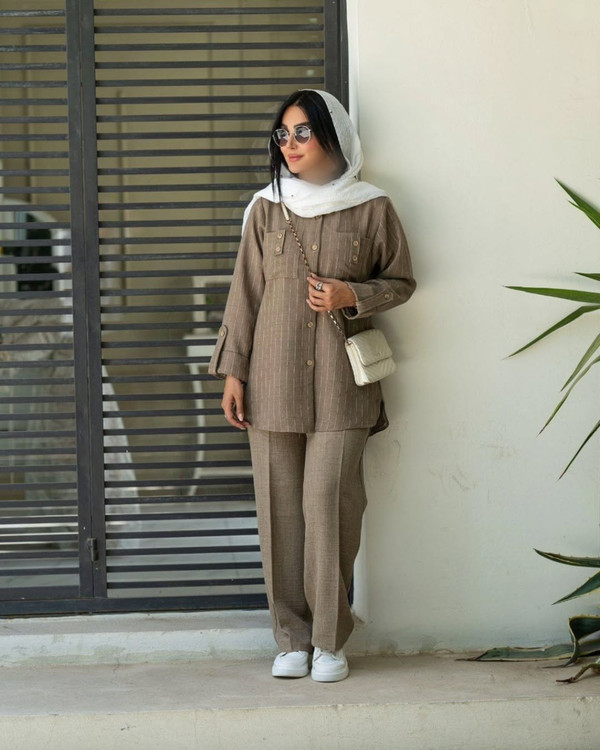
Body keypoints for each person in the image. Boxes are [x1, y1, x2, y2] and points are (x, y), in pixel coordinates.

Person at [208, 88, 416, 682]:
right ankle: (291, 638)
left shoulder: (373, 208)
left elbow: (401, 282)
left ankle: (329, 640)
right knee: (279, 510)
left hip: (343, 384)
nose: (291, 144)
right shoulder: (266, 209)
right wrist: (233, 371)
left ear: (334, 135)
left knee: (331, 505)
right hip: (270, 379)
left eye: (303, 132)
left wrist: (355, 294)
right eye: (283, 134)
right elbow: (245, 294)